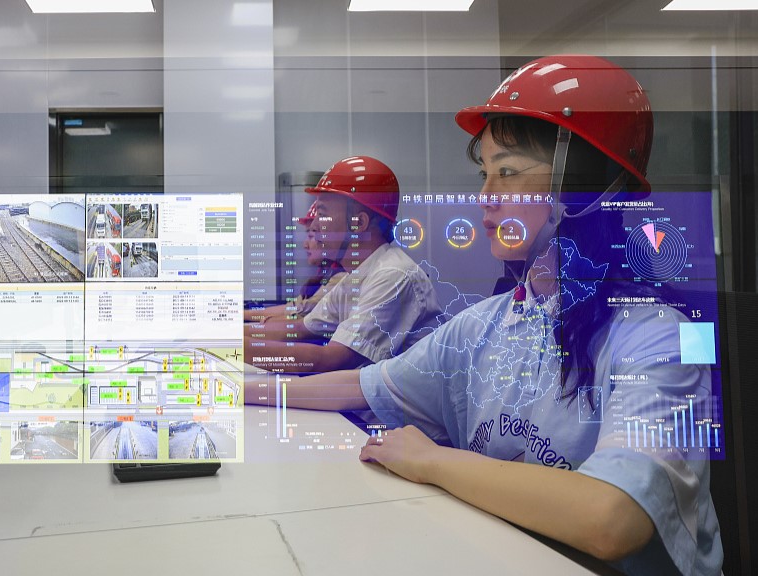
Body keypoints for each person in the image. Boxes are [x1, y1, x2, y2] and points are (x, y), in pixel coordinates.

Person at [268, 55, 722, 574]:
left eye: (506, 171)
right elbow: (359, 384)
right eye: (484, 173)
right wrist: (231, 386)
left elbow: (612, 519)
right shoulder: (489, 322)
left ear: (584, 182)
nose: (483, 197)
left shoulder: (667, 336)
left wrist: (434, 461)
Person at [245, 156, 443, 374]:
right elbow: (299, 328)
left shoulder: (393, 276)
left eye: (322, 214)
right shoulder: (354, 278)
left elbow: (330, 359)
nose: (316, 225)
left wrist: (230, 346)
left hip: (391, 409)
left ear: (358, 223)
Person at [244, 201, 348, 326]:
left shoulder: (341, 277)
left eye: (311, 235)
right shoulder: (326, 274)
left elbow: (303, 310)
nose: (305, 244)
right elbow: (293, 307)